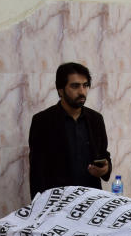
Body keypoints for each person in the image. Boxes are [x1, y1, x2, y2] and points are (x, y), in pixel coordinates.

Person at [28, 62, 111, 200]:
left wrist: (105, 169)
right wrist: (39, 207)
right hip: (57, 202)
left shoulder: (96, 119)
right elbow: (37, 171)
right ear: (60, 90)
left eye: (85, 85)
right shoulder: (42, 121)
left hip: (91, 200)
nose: (82, 91)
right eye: (75, 86)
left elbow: (103, 154)